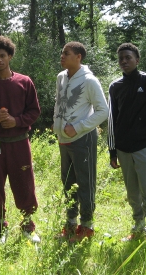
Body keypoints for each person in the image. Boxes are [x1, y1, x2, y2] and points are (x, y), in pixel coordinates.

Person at [0, 35, 41, 244]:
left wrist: (17, 121)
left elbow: (34, 111)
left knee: (24, 184)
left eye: (3, 56)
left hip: (20, 142)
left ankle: (28, 227)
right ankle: (0, 227)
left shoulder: (24, 82)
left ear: (10, 56)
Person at [107, 42, 146, 250]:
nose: (124, 61)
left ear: (137, 60)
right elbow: (112, 119)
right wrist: (112, 150)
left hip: (145, 147)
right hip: (123, 149)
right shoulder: (115, 86)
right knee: (133, 193)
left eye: (128, 57)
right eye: (121, 58)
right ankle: (139, 227)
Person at [53, 41, 108, 242]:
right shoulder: (60, 77)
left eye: (66, 53)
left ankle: (87, 226)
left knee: (85, 182)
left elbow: (103, 111)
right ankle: (70, 223)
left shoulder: (90, 81)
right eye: (62, 52)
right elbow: (60, 104)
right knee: (68, 183)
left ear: (79, 57)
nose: (62, 55)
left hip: (82, 139)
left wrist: (77, 127)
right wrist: (57, 125)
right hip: (63, 140)